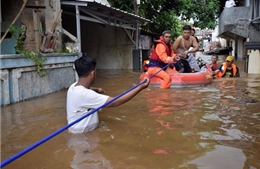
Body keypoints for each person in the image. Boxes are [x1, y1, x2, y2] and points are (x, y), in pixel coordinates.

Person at [66, 54, 150, 133]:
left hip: (76, 131)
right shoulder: (87, 95)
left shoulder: (73, 87)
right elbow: (115, 102)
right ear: (93, 73)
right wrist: (140, 87)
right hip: (85, 135)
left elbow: (86, 90)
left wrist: (97, 89)